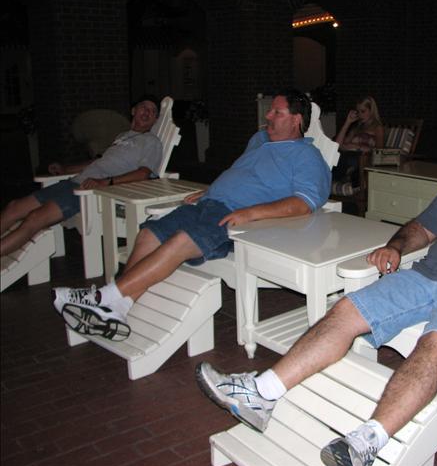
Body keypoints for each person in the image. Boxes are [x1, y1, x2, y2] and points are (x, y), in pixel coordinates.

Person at [194, 111, 437, 466]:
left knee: (435, 343)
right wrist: (396, 246)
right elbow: (423, 228)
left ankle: (367, 442)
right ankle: (261, 393)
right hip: (424, 276)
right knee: (345, 311)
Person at [52, 89, 331, 342]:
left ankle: (102, 296)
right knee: (148, 233)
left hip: (237, 219)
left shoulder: (307, 156)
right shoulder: (259, 140)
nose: (267, 116)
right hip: (208, 203)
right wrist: (213, 189)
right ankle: (118, 307)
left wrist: (250, 212)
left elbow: (305, 203)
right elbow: (243, 173)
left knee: (182, 240)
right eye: (270, 111)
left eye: (277, 112)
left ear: (296, 120)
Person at [1, 96, 163, 257]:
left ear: (155, 119)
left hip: (88, 192)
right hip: (73, 182)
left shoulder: (151, 142)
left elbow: (143, 174)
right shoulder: (122, 136)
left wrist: (106, 182)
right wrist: (65, 169)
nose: (147, 112)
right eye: (144, 107)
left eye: (153, 111)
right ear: (134, 111)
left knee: (35, 218)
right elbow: (99, 162)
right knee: (13, 207)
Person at [332, 96, 384, 195]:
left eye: (363, 111)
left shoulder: (377, 128)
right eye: (358, 112)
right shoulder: (357, 128)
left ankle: (337, 176)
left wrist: (357, 147)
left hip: (364, 158)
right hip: (348, 156)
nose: (360, 115)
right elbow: (337, 145)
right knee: (336, 155)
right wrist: (348, 122)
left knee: (344, 158)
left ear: (371, 111)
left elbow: (379, 151)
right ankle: (345, 175)